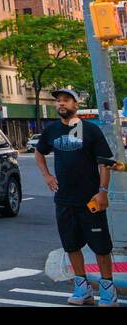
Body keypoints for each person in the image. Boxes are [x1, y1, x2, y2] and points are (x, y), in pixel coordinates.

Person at [34, 88, 117, 306]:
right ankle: (83, 289)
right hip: (64, 200)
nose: (61, 104)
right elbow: (39, 152)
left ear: (75, 105)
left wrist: (103, 191)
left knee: (101, 247)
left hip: (90, 200)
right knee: (71, 245)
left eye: (66, 101)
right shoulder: (50, 131)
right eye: (59, 101)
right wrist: (47, 176)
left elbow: (104, 163)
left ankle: (108, 289)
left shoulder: (90, 130)